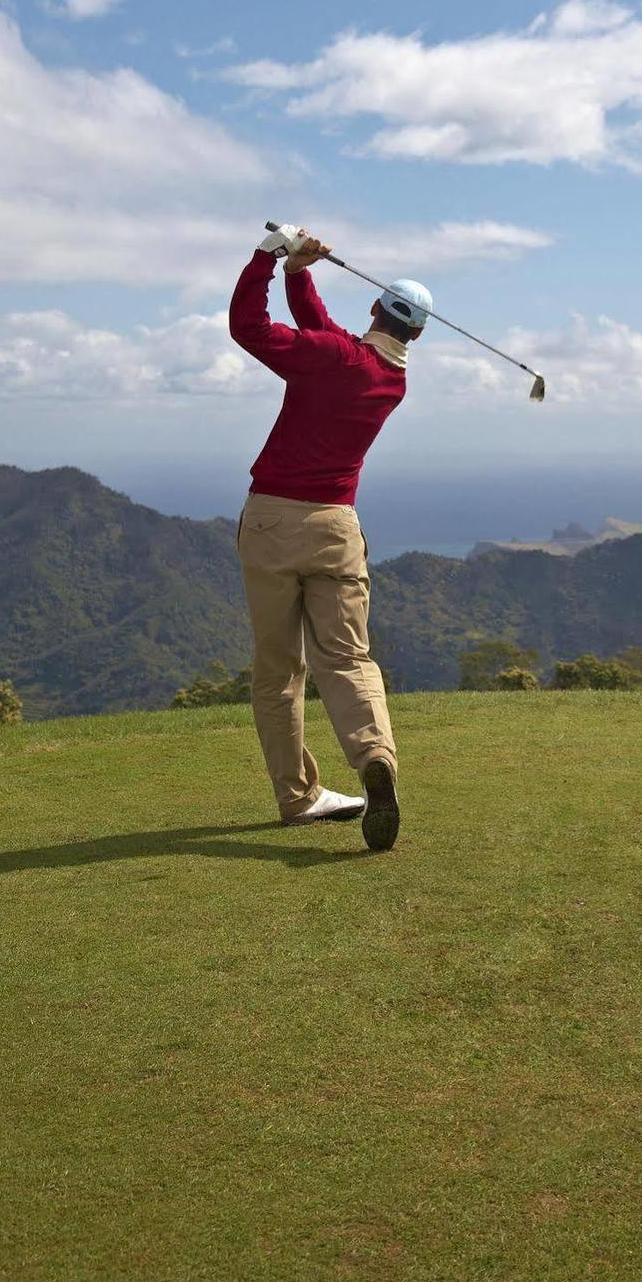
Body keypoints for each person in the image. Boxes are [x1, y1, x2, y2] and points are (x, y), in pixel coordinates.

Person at [228, 224, 432, 851]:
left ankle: (298, 796)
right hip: (336, 528)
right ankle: (376, 759)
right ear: (416, 333)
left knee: (278, 668)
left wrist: (266, 256)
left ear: (374, 308)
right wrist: (298, 272)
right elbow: (327, 337)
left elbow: (247, 327)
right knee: (347, 658)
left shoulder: (334, 357)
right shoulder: (389, 381)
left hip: (271, 521)